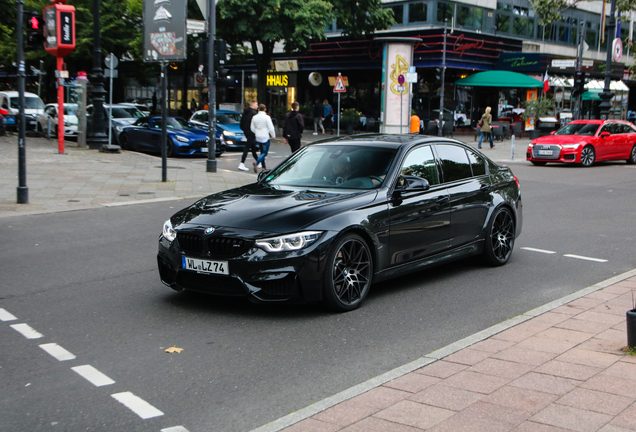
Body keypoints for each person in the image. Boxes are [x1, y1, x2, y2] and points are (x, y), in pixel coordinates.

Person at [251, 104, 276, 173]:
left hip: (258, 136)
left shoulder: (254, 117)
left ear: (258, 109)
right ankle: (257, 162)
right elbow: (271, 128)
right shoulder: (267, 117)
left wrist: (256, 132)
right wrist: (273, 136)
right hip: (265, 136)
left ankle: (263, 167)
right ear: (265, 109)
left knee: (262, 152)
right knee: (265, 153)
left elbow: (252, 128)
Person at [238, 100, 259, 171]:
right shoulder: (254, 113)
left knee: (253, 147)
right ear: (252, 104)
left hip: (246, 132)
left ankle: (258, 161)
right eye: (256, 104)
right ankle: (242, 163)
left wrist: (244, 129)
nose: (257, 106)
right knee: (247, 147)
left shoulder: (245, 112)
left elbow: (241, 123)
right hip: (252, 132)